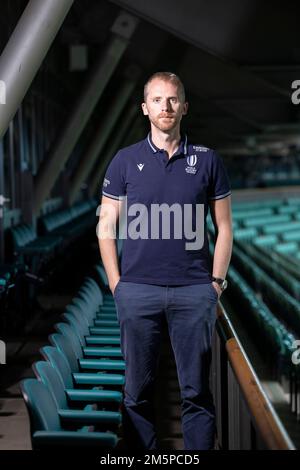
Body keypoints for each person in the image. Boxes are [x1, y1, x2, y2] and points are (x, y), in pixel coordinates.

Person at [98, 72, 233, 450]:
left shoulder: (208, 161)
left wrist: (215, 284)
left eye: (173, 99)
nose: (166, 107)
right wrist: (117, 284)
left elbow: (224, 228)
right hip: (137, 291)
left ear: (184, 106)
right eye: (157, 100)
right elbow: (105, 228)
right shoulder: (124, 162)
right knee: (137, 393)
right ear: (145, 108)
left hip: (194, 292)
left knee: (196, 393)